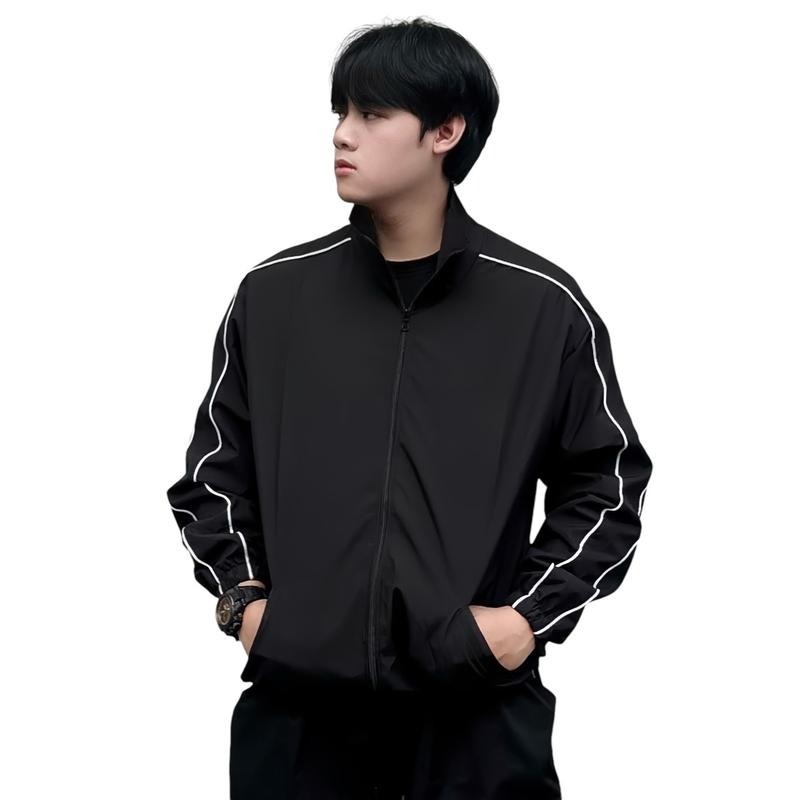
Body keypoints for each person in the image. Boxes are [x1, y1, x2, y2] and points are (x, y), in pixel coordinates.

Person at [166, 17, 653, 800]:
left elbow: (608, 484)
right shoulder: (274, 296)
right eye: (340, 113)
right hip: (300, 722)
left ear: (445, 132)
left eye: (371, 114)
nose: (342, 134)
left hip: (475, 720)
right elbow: (214, 477)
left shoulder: (541, 307)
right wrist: (246, 606)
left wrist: (525, 618)